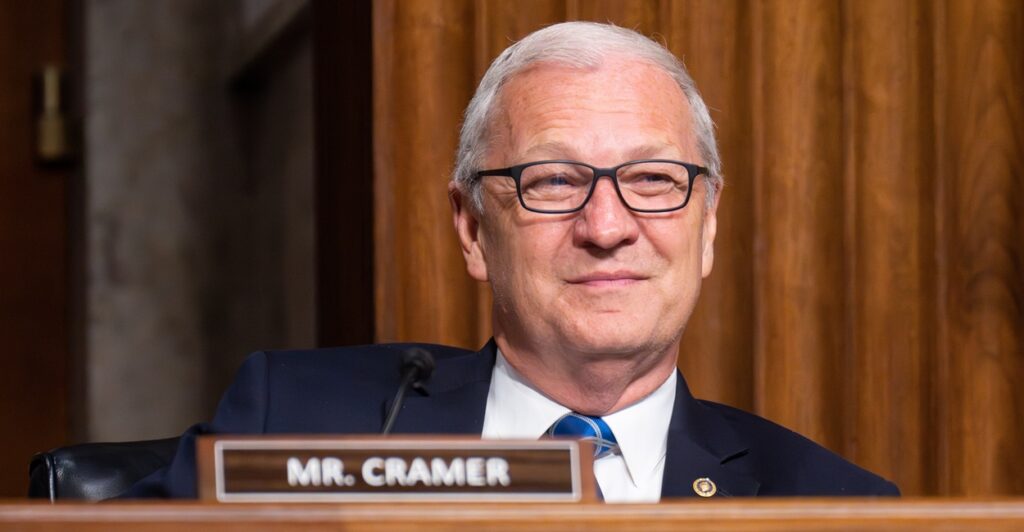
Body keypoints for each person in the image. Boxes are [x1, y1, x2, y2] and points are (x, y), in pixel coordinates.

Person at [125, 21, 898, 501]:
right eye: (554, 181)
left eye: (652, 180)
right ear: (471, 228)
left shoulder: (831, 505)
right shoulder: (294, 420)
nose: (606, 227)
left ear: (708, 224)